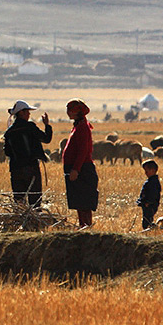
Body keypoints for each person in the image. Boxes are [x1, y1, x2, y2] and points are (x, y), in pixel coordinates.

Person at [2, 100, 52, 208]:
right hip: (31, 168)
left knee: (19, 201)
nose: (29, 114)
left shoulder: (9, 132)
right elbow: (47, 139)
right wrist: (47, 125)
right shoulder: (30, 127)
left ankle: (20, 222)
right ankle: (35, 222)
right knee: (35, 199)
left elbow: (7, 152)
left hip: (15, 169)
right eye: (27, 112)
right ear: (21, 113)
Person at [61, 98, 98, 229]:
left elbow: (83, 151)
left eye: (70, 110)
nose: (68, 112)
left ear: (77, 112)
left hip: (82, 170)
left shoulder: (82, 127)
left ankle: (86, 227)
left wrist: (76, 169)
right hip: (78, 168)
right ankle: (83, 226)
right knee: (79, 201)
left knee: (83, 202)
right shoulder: (79, 125)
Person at [136, 159, 161, 230]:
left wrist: (149, 202)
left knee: (147, 221)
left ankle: (151, 231)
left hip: (150, 205)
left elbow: (154, 194)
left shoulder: (153, 182)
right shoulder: (150, 181)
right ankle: (151, 230)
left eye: (146, 171)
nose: (145, 173)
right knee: (147, 219)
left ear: (153, 170)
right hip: (146, 204)